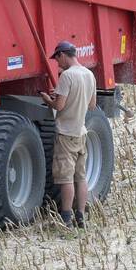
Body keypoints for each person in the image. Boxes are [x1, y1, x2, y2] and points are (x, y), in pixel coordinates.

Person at [39, 41, 97, 228]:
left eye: (57, 59)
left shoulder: (67, 76)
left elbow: (59, 106)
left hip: (65, 134)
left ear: (63, 54)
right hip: (81, 133)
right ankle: (80, 216)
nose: (58, 63)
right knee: (80, 177)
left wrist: (48, 99)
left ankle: (66, 218)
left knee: (66, 179)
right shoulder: (89, 74)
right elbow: (92, 105)